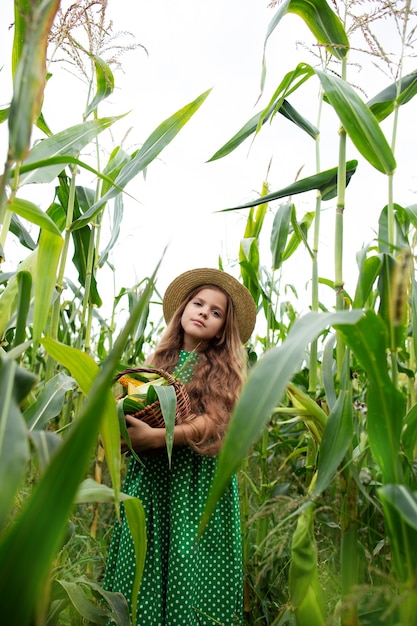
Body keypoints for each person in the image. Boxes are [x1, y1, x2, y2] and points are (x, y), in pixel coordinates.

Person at [103, 267, 257, 626]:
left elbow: (214, 419)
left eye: (216, 312)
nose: (204, 312)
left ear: (223, 328)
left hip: (195, 484)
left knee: (190, 558)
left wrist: (159, 437)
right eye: (198, 303)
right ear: (183, 310)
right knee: (147, 551)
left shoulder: (219, 367)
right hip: (155, 479)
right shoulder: (158, 364)